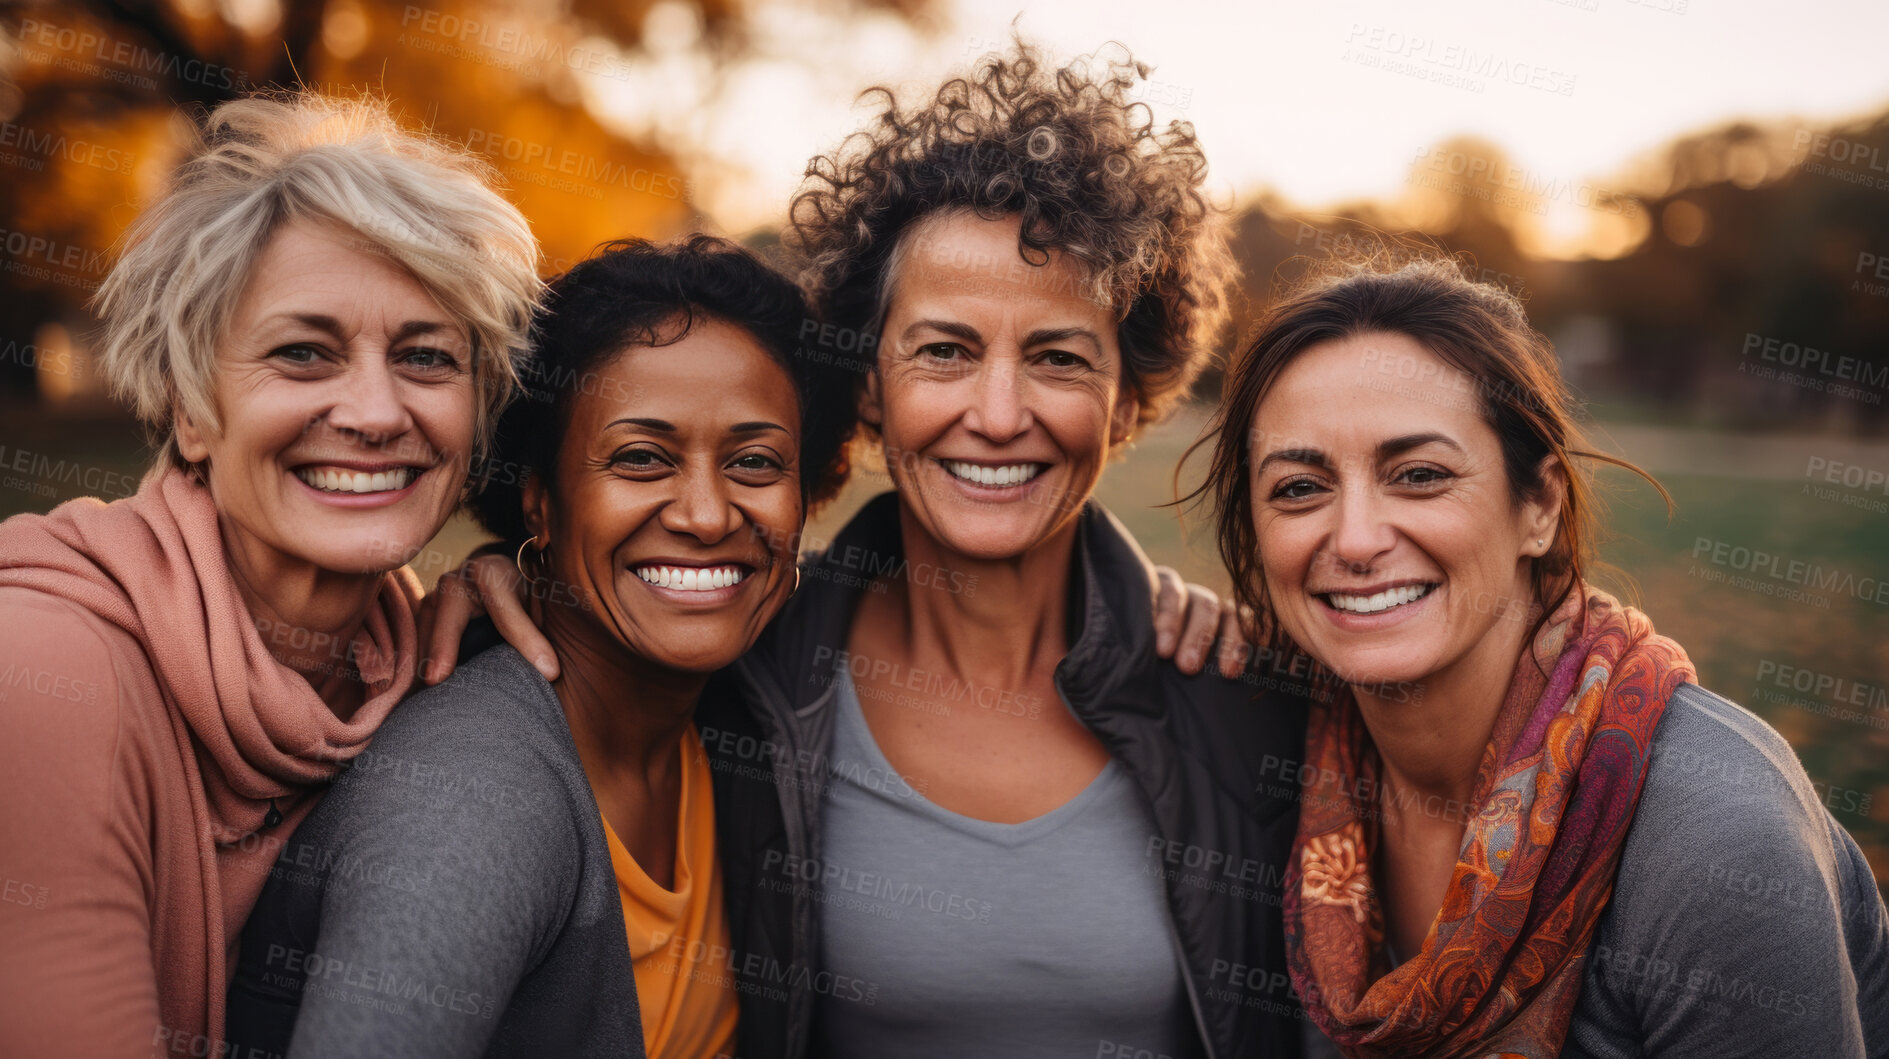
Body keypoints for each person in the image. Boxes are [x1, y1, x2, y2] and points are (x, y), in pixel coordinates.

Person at [431, 39, 1311, 1059]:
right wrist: (508, 580)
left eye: (1056, 358)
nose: (996, 413)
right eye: (943, 350)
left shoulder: (1236, 699)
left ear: (1124, 400)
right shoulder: (740, 679)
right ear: (868, 386)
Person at [1190, 257, 1889, 1057]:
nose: (1352, 538)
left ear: (1540, 507)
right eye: (1298, 488)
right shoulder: (1274, 761)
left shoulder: (1716, 840)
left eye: (1418, 475)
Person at [225, 235, 859, 1058]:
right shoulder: (470, 802)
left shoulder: (742, 705)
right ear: (539, 503)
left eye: (753, 461)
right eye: (640, 458)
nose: (707, 515)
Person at [0, 92, 539, 1056]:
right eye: (302, 354)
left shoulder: (412, 664)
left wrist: (540, 595)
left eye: (425, 357)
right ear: (190, 409)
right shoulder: (42, 670)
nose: (375, 412)